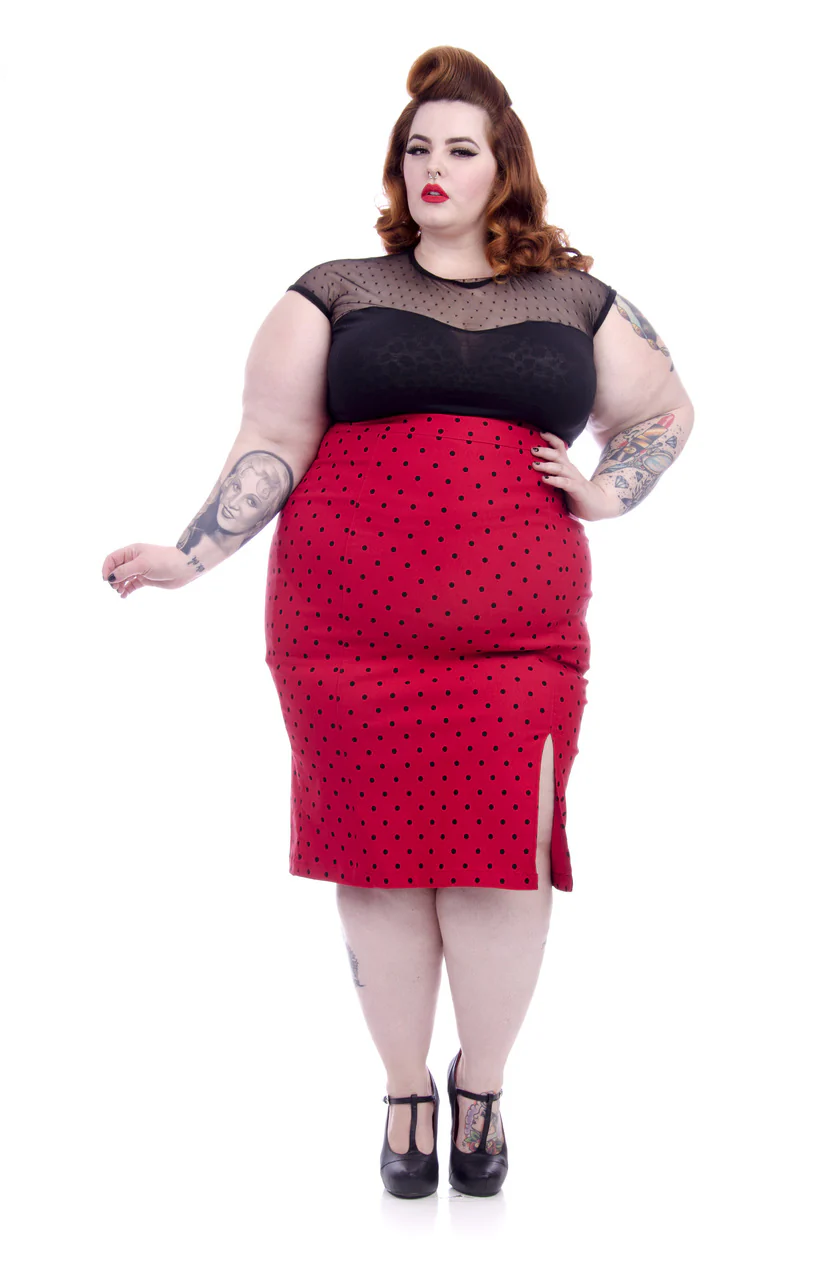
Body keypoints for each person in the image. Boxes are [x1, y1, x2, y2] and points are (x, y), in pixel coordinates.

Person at [101, 45, 695, 1200]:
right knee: (374, 865)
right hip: (344, 626)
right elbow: (272, 441)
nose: (434, 166)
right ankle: (402, 1090)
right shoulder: (332, 291)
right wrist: (188, 554)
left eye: (459, 149)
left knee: (501, 866)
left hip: (518, 635)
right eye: (416, 147)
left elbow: (663, 410)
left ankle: (482, 1084)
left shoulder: (576, 301)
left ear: (501, 167)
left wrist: (609, 488)